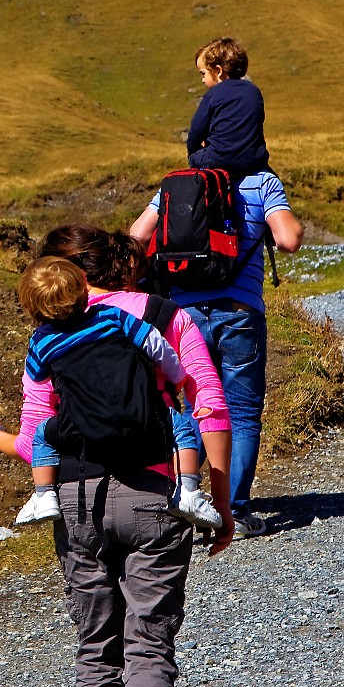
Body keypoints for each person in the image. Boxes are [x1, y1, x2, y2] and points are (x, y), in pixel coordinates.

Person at [0, 254, 234, 687]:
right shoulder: (144, 317)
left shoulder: (43, 346)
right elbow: (203, 394)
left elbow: (37, 438)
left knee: (95, 649)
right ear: (92, 283)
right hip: (152, 495)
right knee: (149, 645)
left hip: (76, 503)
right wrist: (218, 501)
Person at [130, 160, 304, 537]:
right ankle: (237, 512)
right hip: (241, 313)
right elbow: (289, 238)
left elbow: (136, 235)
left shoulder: (177, 183)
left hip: (186, 316)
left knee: (195, 406)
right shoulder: (262, 183)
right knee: (241, 413)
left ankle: (184, 498)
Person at [36, 223, 234, 530]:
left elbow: (33, 434)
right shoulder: (165, 315)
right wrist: (222, 504)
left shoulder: (47, 337)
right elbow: (211, 406)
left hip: (77, 494)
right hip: (157, 487)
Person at [186, 37, 269, 179]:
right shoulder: (254, 91)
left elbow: (196, 131)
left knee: (195, 156)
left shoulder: (213, 95)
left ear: (218, 71)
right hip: (253, 160)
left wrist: (193, 152)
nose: (203, 80)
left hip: (219, 160)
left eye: (203, 74)